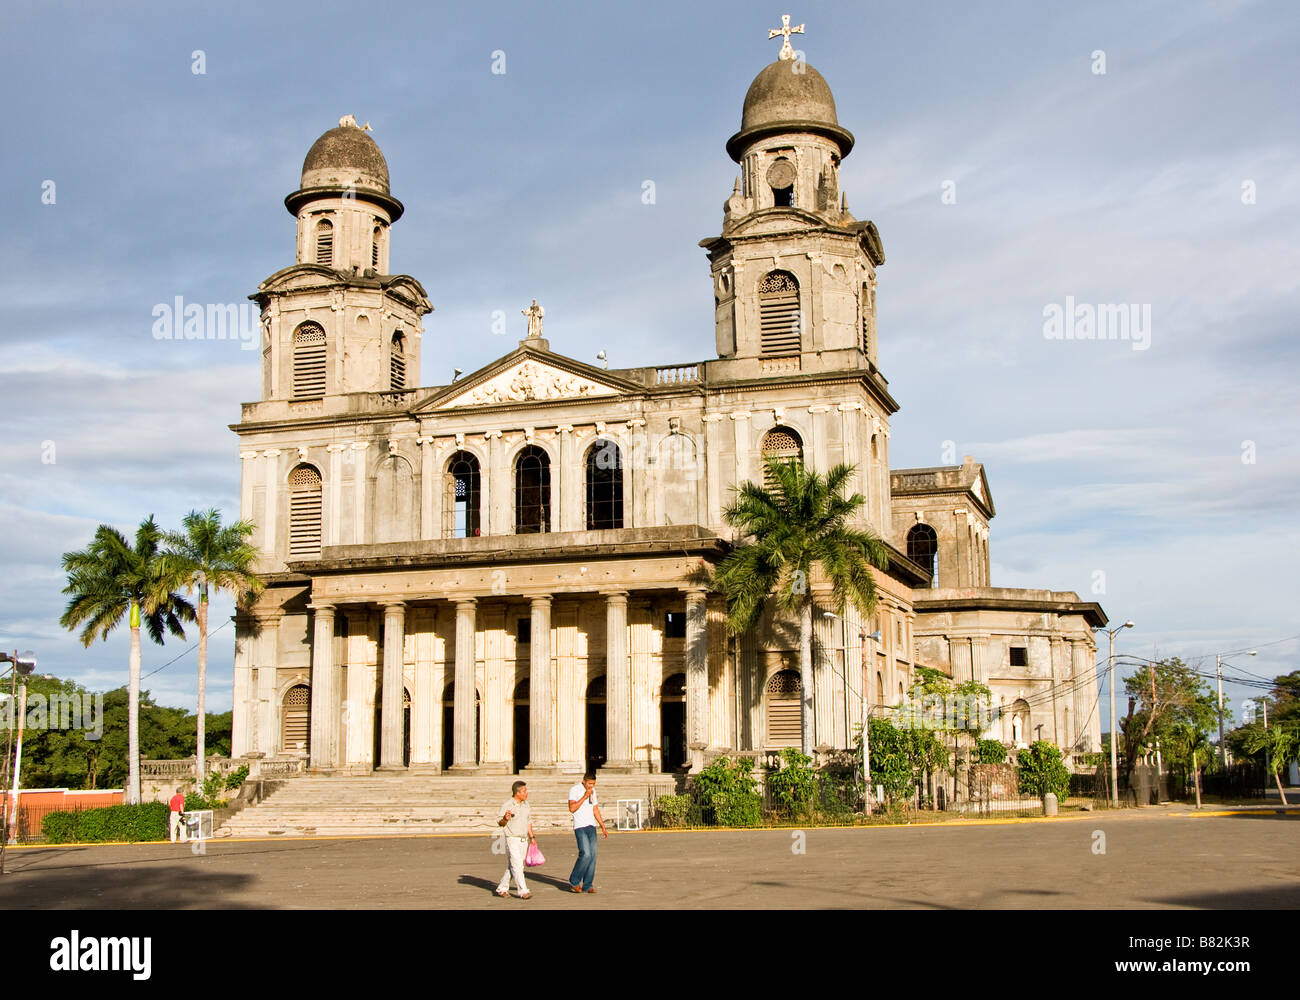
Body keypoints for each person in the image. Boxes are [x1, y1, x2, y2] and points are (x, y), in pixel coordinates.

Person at [567, 771, 608, 893]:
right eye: (589, 783)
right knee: (585, 854)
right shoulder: (574, 790)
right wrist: (584, 796)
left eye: (593, 784)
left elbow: (595, 809)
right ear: (584, 781)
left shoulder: (593, 792)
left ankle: (588, 884)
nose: (591, 786)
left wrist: (602, 825)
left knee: (593, 855)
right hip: (580, 826)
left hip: (591, 825)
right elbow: (572, 808)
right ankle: (574, 881)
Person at [495, 780, 535, 899]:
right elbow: (500, 822)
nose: (526, 793)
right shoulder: (508, 805)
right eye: (524, 791)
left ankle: (502, 888)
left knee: (513, 865)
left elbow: (529, 821)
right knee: (517, 865)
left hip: (523, 839)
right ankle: (523, 891)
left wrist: (532, 837)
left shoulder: (526, 805)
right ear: (517, 793)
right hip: (512, 838)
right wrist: (505, 818)